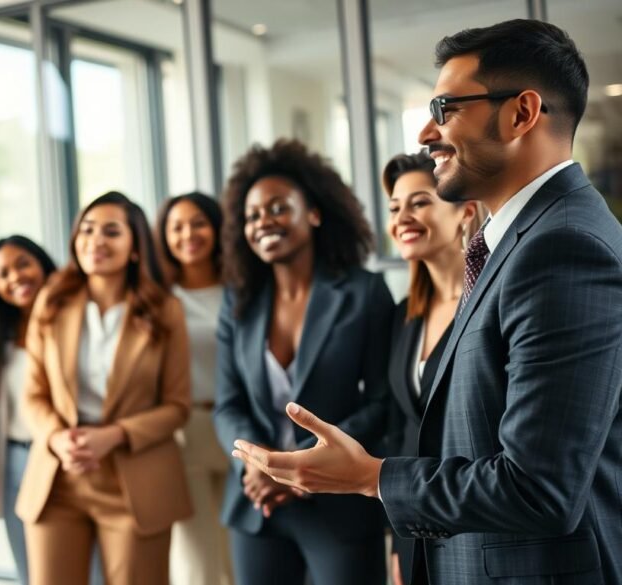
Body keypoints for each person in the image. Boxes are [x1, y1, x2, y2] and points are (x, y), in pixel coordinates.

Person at [233, 19, 622, 585]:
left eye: (445, 108)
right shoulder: (524, 240)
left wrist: (370, 476)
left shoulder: (562, 247)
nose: (424, 132)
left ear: (521, 113)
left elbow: (539, 488)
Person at [213, 139, 392, 585]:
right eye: (252, 215)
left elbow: (383, 403)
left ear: (313, 213)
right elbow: (228, 405)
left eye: (278, 208)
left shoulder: (364, 292)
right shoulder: (239, 302)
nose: (263, 222)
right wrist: (256, 464)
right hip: (258, 503)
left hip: (339, 502)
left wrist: (299, 466)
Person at [16, 191, 193, 585]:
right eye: (87, 230)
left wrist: (113, 435)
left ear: (135, 247)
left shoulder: (165, 310)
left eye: (111, 232)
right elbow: (33, 394)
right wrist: (57, 437)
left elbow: (177, 406)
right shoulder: (52, 301)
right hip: (59, 476)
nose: (95, 240)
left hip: (136, 481)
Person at [381, 151, 481, 584]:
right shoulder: (405, 315)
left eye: (420, 202)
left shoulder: (486, 304)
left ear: (466, 212)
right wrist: (395, 536)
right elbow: (399, 432)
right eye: (394, 208)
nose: (402, 217)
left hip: (477, 520)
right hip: (416, 525)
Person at [154, 192, 232, 585]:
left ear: (217, 228)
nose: (188, 234)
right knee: (196, 562)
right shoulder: (159, 298)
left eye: (198, 223)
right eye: (177, 227)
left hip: (238, 428)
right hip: (185, 430)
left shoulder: (241, 290)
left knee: (240, 556)